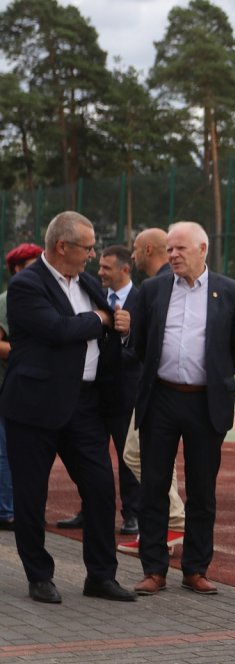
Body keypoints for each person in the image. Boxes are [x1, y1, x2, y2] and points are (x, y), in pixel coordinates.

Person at [0, 211, 136, 603]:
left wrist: (119, 323)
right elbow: (59, 330)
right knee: (31, 495)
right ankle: (39, 575)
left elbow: (103, 328)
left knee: (99, 489)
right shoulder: (27, 285)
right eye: (87, 247)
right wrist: (101, 318)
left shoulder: (89, 284)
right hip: (35, 407)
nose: (93, 255)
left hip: (84, 406)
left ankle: (100, 575)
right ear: (62, 246)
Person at [131, 221, 235, 597]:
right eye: (169, 249)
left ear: (202, 248)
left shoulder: (230, 292)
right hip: (161, 399)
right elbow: (138, 343)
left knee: (202, 490)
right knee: (152, 487)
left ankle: (195, 569)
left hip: (204, 402)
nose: (173, 256)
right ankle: (154, 569)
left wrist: (209, 377)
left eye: (180, 249)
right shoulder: (151, 290)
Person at [58, 245, 143, 535]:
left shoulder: (141, 299)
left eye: (107, 267)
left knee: (127, 456)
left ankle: (133, 513)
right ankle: (87, 507)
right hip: (93, 394)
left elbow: (141, 345)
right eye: (100, 266)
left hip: (124, 394)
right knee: (89, 457)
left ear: (125, 269)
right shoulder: (93, 294)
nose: (100, 272)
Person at [118, 227, 186, 554]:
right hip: (158, 388)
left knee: (137, 453)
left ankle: (171, 522)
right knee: (153, 458)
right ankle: (167, 525)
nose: (131, 256)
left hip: (157, 390)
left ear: (147, 249)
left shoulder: (158, 287)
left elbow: (141, 346)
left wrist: (125, 336)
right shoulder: (163, 285)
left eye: (134, 249)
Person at [0, 243, 43, 532]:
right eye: (32, 263)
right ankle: (7, 511)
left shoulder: (43, 295)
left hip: (34, 385)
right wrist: (30, 354)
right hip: (7, 385)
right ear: (17, 268)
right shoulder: (7, 299)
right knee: (5, 449)